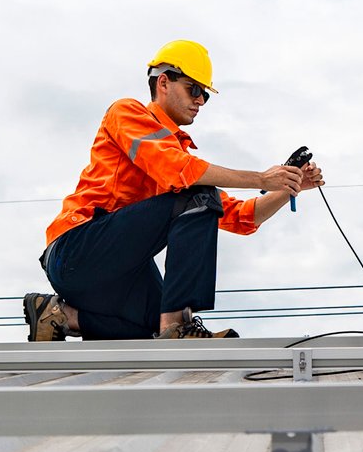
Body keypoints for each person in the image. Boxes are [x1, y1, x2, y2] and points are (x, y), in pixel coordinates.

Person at [23, 39, 324, 340]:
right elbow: (181, 172)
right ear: (164, 82)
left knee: (151, 332)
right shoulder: (127, 113)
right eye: (194, 89)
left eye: (204, 94)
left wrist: (288, 188)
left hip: (116, 272)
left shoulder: (182, 168)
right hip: (75, 252)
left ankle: (60, 316)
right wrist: (260, 178)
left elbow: (242, 217)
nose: (201, 101)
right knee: (199, 195)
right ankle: (179, 324)